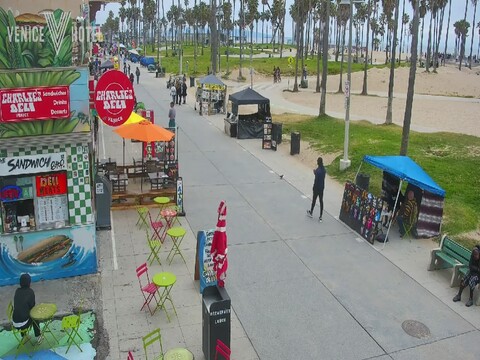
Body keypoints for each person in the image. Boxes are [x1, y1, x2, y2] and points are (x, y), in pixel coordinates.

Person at [12, 273, 42, 344]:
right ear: (29, 282)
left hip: (14, 322)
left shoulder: (17, 291)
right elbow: (32, 307)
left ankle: (24, 336)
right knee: (34, 316)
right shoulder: (30, 292)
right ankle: (38, 336)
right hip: (24, 323)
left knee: (22, 313)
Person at [307, 157, 326, 222]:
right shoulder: (323, 170)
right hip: (322, 187)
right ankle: (321, 215)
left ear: (318, 162)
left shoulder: (318, 171)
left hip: (317, 188)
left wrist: (314, 187)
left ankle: (311, 212)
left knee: (314, 200)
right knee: (321, 201)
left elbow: (316, 180)